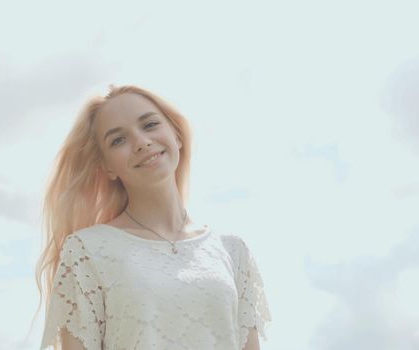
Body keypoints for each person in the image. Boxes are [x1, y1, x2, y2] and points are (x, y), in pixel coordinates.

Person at [34, 84, 271, 350]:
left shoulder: (233, 251)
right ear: (107, 167)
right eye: (118, 140)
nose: (141, 142)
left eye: (149, 125)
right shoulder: (86, 251)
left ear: (176, 135)